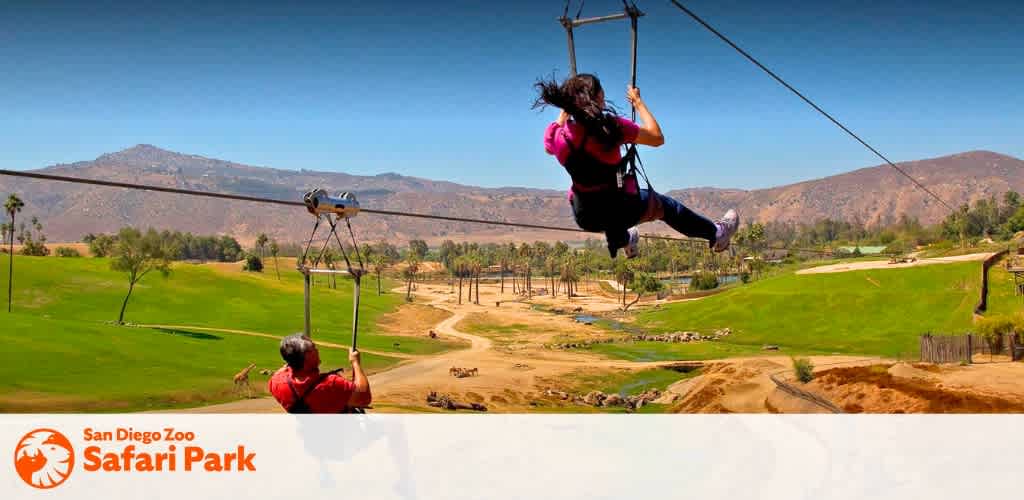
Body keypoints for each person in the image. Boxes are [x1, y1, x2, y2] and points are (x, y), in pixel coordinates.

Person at [536, 73, 739, 259]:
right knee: (667, 207)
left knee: (606, 210)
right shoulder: (611, 127)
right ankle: (717, 233)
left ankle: (626, 241)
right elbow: (657, 138)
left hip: (586, 216)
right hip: (620, 209)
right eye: (602, 95)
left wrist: (565, 112)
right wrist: (638, 103)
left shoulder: (558, 137)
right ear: (597, 99)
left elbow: (548, 147)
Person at [268, 333, 371, 413]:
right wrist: (355, 363)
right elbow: (364, 398)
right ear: (306, 356)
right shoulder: (331, 384)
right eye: (314, 347)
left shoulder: (276, 382)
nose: (317, 350)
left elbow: (284, 369)